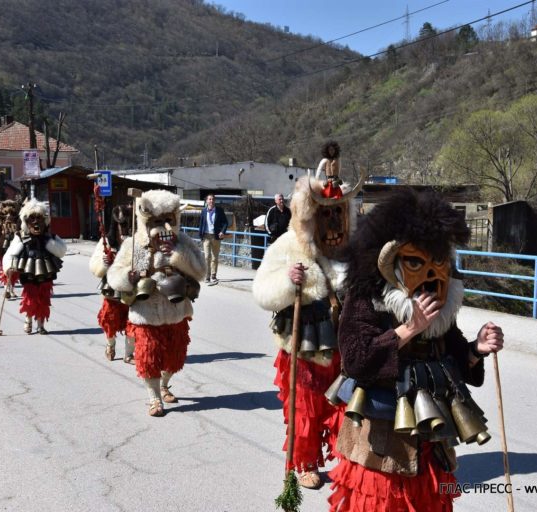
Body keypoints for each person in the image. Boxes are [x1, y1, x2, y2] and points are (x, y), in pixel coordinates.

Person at [327, 187, 504, 512]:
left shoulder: (438, 302)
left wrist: (476, 349)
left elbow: (451, 354)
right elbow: (355, 359)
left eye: (438, 262)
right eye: (415, 261)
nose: (430, 276)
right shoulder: (366, 295)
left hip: (431, 441)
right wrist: (408, 329)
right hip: (382, 442)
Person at [252, 173, 363, 490]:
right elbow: (262, 290)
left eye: (336, 211)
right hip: (304, 347)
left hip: (344, 345)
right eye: (323, 211)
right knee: (306, 409)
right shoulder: (287, 244)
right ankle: (305, 463)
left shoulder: (353, 249)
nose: (330, 218)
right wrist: (288, 280)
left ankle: (347, 459)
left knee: (346, 406)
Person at [107, 190, 205, 417]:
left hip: (176, 311)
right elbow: (114, 274)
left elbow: (201, 270)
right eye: (157, 221)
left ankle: (164, 384)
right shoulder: (134, 244)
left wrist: (177, 254)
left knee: (175, 357)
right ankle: (154, 398)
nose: (163, 226)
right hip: (145, 311)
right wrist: (128, 277)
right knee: (148, 356)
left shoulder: (183, 242)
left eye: (167, 220)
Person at [2, 199, 67, 335]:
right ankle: (28, 320)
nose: (36, 222)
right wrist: (9, 267)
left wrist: (49, 242)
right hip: (28, 272)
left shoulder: (50, 237)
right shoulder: (21, 237)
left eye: (39, 218)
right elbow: (10, 254)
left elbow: (61, 251)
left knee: (43, 298)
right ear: (26, 221)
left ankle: (41, 325)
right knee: (30, 297)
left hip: (46, 272)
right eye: (32, 219)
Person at [89, 204, 135, 364]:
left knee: (134, 320)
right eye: (119, 225)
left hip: (132, 288)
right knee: (109, 319)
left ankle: (129, 354)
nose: (123, 229)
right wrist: (105, 262)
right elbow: (95, 266)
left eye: (125, 225)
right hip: (112, 288)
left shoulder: (137, 242)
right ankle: (110, 345)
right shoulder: (106, 242)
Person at [198, 193, 228, 285]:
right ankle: (207, 276)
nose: (211, 201)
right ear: (206, 201)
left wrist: (222, 231)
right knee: (207, 257)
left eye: (212, 199)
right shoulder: (203, 211)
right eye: (209, 199)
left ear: (214, 201)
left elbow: (225, 222)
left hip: (216, 237)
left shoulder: (219, 210)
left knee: (214, 257)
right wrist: (201, 235)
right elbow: (201, 224)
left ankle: (213, 275)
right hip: (206, 236)